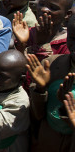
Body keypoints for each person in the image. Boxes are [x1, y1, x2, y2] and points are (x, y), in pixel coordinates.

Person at [26, 14, 75, 152]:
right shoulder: (53, 64)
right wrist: (40, 89)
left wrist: (66, 106)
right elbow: (37, 114)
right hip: (47, 139)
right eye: (72, 38)